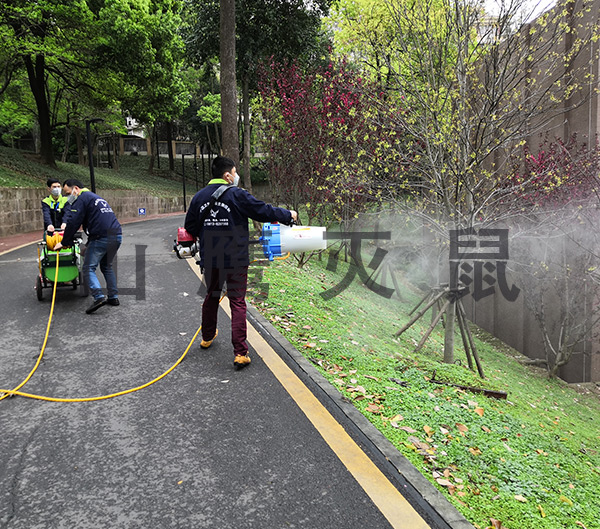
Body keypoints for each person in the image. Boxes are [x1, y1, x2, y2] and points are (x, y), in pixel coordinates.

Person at [185, 156, 297, 369]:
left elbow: (190, 226)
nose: (236, 176)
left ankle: (207, 337)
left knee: (212, 295)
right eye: (235, 172)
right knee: (237, 301)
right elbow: (263, 210)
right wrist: (288, 215)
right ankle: (240, 353)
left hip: (211, 258)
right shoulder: (237, 195)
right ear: (227, 175)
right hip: (235, 258)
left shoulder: (199, 197)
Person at [53, 179, 122, 314]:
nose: (67, 197)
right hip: (116, 235)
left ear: (76, 189)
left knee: (88, 268)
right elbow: (97, 221)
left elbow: (73, 222)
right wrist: (89, 244)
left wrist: (64, 242)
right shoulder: (95, 198)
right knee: (106, 266)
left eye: (68, 193)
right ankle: (113, 297)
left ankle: (98, 297)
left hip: (101, 237)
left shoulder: (82, 199)